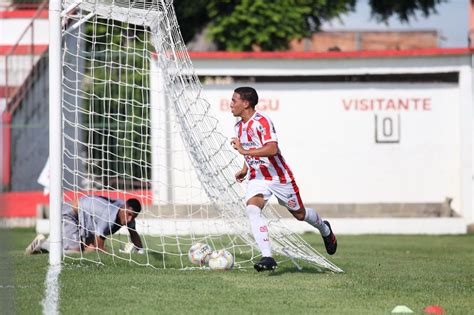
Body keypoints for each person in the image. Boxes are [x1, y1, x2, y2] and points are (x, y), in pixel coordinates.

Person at [230, 86, 337, 272]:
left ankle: (324, 228)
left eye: (234, 100)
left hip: (278, 176)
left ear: (245, 103)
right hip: (258, 177)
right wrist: (245, 168)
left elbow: (271, 149)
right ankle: (267, 257)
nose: (230, 105)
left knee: (300, 215)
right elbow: (249, 150)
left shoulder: (262, 122)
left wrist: (244, 151)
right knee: (252, 209)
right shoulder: (239, 126)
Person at [25, 195, 144, 254]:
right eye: (128, 214)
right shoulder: (109, 216)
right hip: (70, 214)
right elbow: (98, 248)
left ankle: (55, 241)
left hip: (84, 218)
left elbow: (134, 234)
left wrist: (141, 252)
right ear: (123, 208)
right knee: (75, 252)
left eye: (133, 217)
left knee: (83, 248)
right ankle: (43, 244)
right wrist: (117, 256)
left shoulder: (128, 215)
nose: (129, 219)